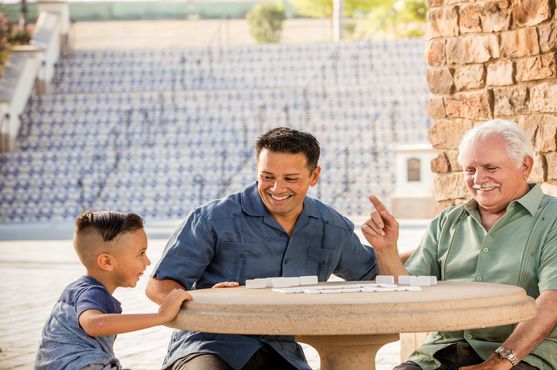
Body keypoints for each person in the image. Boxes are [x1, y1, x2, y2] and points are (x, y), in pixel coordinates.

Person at [362, 119, 557, 370]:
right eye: (470, 170)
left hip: (528, 355)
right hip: (444, 351)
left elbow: (554, 300)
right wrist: (386, 249)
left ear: (525, 166)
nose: (479, 179)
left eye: (491, 168)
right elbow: (405, 297)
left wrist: (498, 363)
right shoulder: (447, 221)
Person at [146, 127, 377, 370]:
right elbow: (159, 286)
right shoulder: (212, 218)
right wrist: (204, 300)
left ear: (314, 176)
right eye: (267, 177)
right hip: (208, 344)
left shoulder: (332, 226)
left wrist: (390, 248)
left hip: (282, 351)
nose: (277, 188)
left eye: (290, 179)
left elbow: (373, 272)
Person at [35, 210, 192, 370]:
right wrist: (162, 316)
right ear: (107, 262)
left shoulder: (78, 289)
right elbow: (94, 324)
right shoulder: (92, 292)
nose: (148, 261)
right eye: (141, 254)